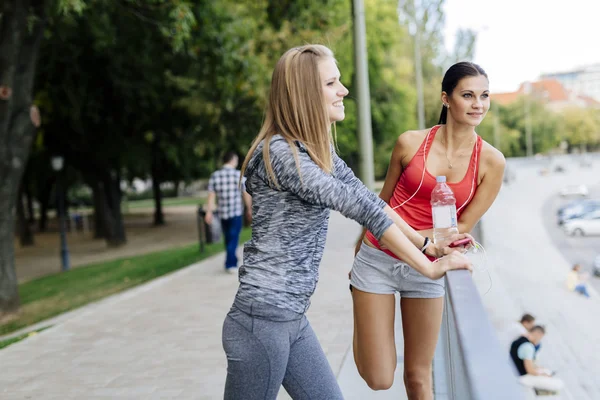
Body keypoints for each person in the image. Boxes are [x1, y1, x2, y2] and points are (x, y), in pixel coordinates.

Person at [221, 44, 473, 400]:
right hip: (261, 321)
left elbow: (372, 201)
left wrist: (427, 245)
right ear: (306, 93)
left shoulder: (316, 151)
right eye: (331, 83)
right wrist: (429, 269)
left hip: (291, 318)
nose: (344, 91)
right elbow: (360, 208)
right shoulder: (280, 153)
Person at [350, 62, 506, 397]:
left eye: (484, 95)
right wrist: (364, 239)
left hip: (430, 269)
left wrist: (433, 245)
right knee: (379, 378)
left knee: (419, 377)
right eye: (468, 95)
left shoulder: (492, 162)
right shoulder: (409, 143)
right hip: (379, 255)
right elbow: (382, 203)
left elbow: (462, 226)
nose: (478, 104)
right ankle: (363, 321)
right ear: (446, 98)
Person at [205, 151, 252, 274]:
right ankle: (230, 264)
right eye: (236, 160)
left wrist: (209, 212)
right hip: (236, 212)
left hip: (222, 213)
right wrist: (249, 208)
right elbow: (245, 194)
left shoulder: (215, 175)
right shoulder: (239, 175)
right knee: (233, 237)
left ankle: (233, 259)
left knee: (228, 238)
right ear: (232, 160)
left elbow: (211, 196)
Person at [510, 326, 564, 393]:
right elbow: (530, 370)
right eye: (541, 338)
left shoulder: (518, 340)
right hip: (521, 376)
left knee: (544, 371)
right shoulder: (528, 347)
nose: (539, 340)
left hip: (513, 370)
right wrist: (542, 375)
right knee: (559, 383)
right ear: (538, 334)